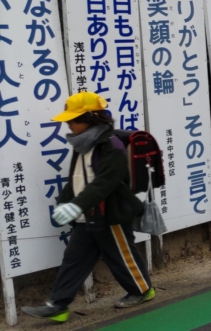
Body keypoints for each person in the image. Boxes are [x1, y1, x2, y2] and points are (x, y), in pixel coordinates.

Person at [23, 92, 153, 323]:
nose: (69, 125)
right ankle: (58, 305)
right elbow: (75, 179)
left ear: (91, 118)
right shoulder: (82, 144)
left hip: (111, 213)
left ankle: (142, 290)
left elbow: (106, 182)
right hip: (88, 214)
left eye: (73, 120)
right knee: (74, 259)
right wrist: (65, 203)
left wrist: (75, 206)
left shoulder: (112, 145)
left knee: (121, 255)